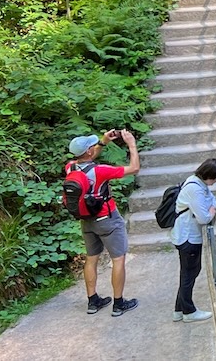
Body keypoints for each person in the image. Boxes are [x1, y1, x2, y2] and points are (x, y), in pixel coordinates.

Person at [66, 129, 141, 317]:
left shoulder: (70, 167)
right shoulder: (100, 171)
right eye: (92, 146)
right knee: (118, 259)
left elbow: (88, 159)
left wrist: (103, 141)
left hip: (86, 221)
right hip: (107, 219)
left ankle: (93, 301)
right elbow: (134, 168)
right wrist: (131, 144)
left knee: (91, 259)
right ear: (89, 151)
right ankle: (118, 304)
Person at [171, 158, 216, 323]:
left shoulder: (195, 182)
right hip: (188, 237)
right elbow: (204, 217)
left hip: (185, 234)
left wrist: (211, 206)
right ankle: (189, 312)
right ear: (210, 176)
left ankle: (179, 310)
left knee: (188, 273)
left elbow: (211, 199)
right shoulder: (195, 189)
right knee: (190, 273)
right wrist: (212, 210)